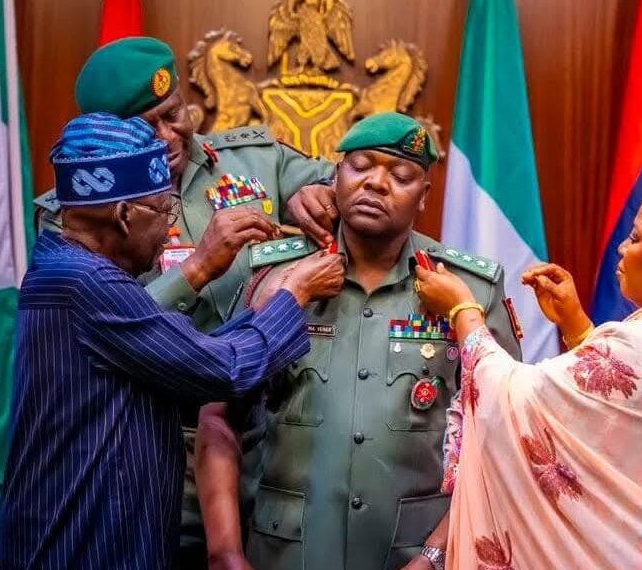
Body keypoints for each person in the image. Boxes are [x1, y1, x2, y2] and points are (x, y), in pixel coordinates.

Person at [34, 36, 336, 563]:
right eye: (145, 128)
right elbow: (108, 325)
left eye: (173, 115)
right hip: (155, 447)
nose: (168, 137)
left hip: (270, 446)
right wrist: (196, 270)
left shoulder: (253, 158)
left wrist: (321, 192)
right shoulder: (77, 214)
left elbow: (353, 187)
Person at [196, 113, 523, 570]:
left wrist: (435, 555)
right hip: (285, 553)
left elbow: (502, 441)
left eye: (401, 176)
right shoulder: (275, 277)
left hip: (413, 554)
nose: (376, 183)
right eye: (361, 166)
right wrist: (225, 551)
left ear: (424, 196)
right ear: (336, 176)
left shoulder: (468, 291)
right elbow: (218, 418)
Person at [412, 180, 642, 569]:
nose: (622, 248)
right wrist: (576, 325)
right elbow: (631, 420)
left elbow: (512, 399)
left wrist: (462, 310)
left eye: (635, 238)